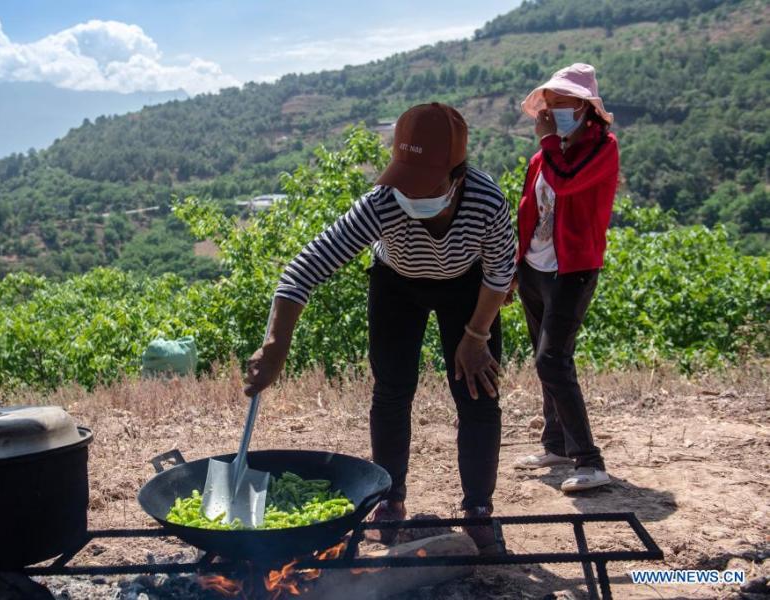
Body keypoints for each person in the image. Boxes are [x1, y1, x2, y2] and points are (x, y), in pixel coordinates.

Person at [244, 103, 516, 551]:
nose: (411, 194)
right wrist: (275, 347)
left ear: (457, 175)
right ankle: (390, 499)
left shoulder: (486, 201)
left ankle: (478, 509)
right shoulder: (383, 202)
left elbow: (500, 273)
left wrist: (476, 336)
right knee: (391, 391)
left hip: (468, 289)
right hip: (397, 286)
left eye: (425, 183)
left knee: (478, 391)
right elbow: (302, 270)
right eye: (405, 180)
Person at [509, 63, 620, 493]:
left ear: (585, 107)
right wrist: (515, 267)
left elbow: (567, 182)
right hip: (535, 269)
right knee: (546, 358)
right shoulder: (543, 157)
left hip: (573, 270)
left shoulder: (602, 148)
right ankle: (555, 444)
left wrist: (548, 141)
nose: (554, 111)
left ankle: (590, 461)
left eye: (564, 104)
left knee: (552, 360)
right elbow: (528, 211)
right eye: (550, 104)